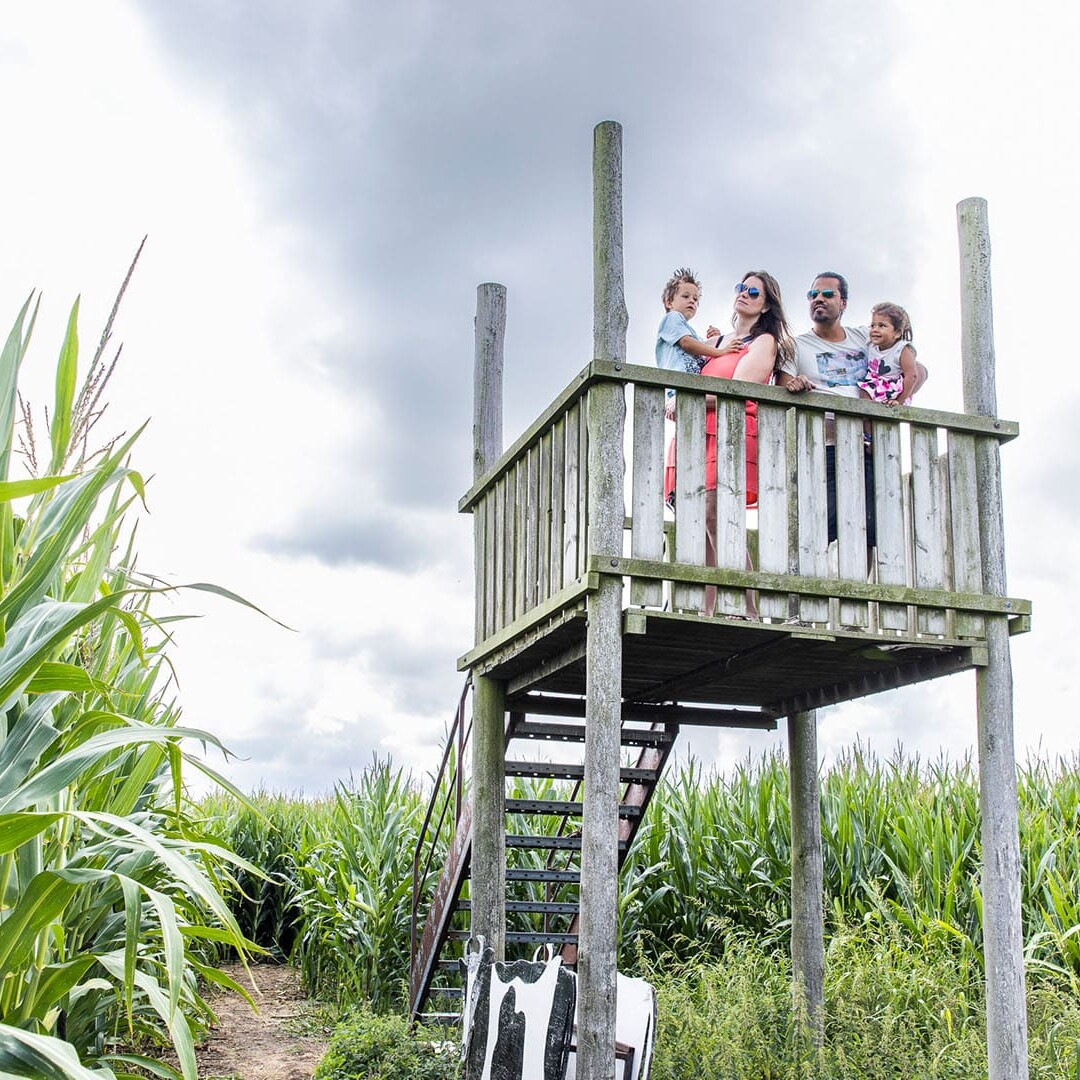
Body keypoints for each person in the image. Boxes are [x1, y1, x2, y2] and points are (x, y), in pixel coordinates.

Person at [665, 270, 794, 615]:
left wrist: (687, 402)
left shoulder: (764, 341)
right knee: (697, 517)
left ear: (766, 305)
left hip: (731, 433)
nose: (744, 294)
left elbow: (737, 390)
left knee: (716, 514)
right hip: (696, 433)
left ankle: (748, 606)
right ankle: (709, 607)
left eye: (754, 292)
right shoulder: (718, 341)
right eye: (741, 287)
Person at [778, 272, 926, 548]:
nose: (818, 299)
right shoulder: (794, 346)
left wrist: (891, 397)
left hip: (868, 445)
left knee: (872, 525)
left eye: (827, 294)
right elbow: (782, 388)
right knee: (823, 522)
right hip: (824, 447)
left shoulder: (866, 338)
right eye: (813, 295)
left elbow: (916, 371)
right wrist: (796, 384)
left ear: (843, 303)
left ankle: (862, 588)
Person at [656, 268, 742, 413]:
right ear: (669, 302)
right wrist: (720, 351)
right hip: (679, 387)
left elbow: (701, 350)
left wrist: (715, 338)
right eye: (685, 296)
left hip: (693, 389)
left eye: (695, 299)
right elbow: (686, 344)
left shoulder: (691, 333)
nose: (691, 301)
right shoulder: (672, 318)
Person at [858, 302, 918, 406]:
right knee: (863, 392)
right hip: (873, 384)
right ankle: (867, 421)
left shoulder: (902, 349)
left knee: (867, 392)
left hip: (893, 388)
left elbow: (912, 375)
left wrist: (899, 400)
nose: (875, 329)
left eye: (882, 326)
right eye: (873, 325)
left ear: (897, 333)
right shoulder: (871, 343)